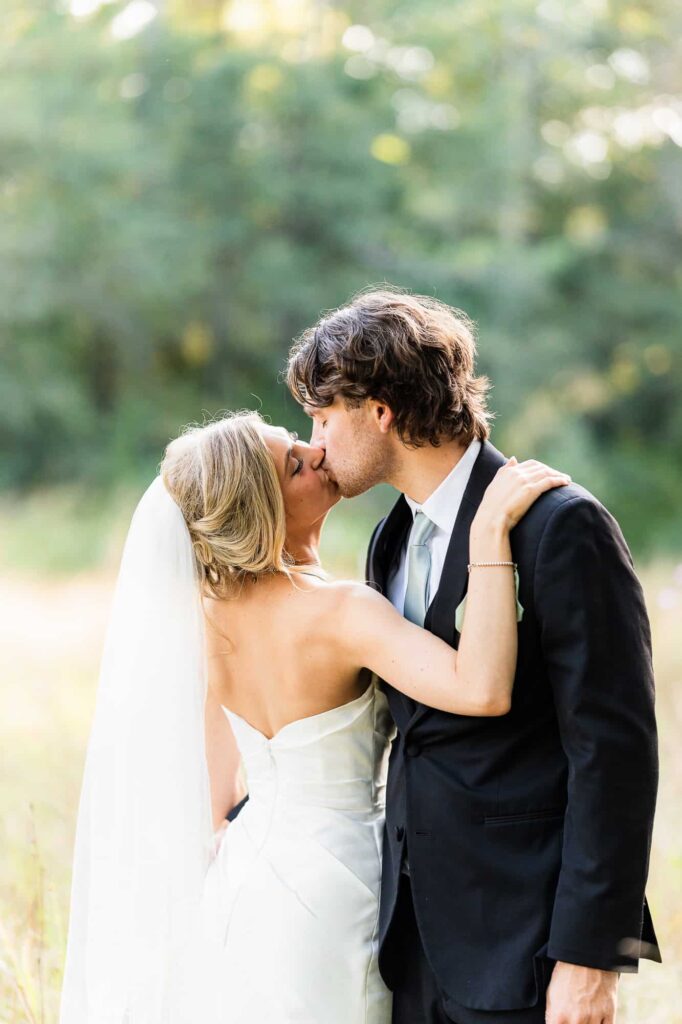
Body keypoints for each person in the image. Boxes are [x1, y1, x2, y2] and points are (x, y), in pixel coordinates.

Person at [59, 408, 568, 1024]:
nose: (318, 455)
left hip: (248, 881)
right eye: (294, 465)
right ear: (262, 510)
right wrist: (489, 535)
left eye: (302, 442)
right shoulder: (340, 611)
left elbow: (218, 796)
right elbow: (482, 688)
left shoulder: (206, 621)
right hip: (337, 881)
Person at [287, 287, 661, 1024]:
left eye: (323, 415)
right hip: (411, 937)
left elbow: (615, 752)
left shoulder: (561, 526)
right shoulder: (389, 537)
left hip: (527, 941)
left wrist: (590, 956)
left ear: (380, 410)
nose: (315, 441)